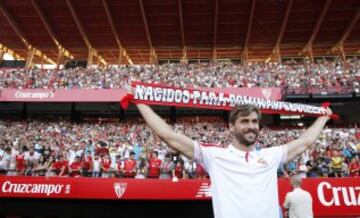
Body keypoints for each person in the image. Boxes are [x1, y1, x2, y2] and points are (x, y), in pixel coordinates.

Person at [136, 103, 332, 218]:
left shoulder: (271, 155)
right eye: (245, 121)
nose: (251, 126)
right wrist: (140, 103)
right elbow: (167, 135)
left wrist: (323, 117)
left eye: (255, 122)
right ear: (231, 127)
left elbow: (305, 142)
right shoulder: (214, 156)